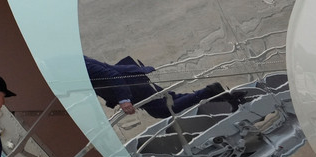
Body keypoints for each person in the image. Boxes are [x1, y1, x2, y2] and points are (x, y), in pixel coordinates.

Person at [84, 55, 238, 118]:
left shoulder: (75, 64)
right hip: (132, 81)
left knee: (162, 110)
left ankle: (208, 92)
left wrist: (124, 99)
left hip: (131, 85)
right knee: (171, 99)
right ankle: (218, 96)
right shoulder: (72, 62)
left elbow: (111, 75)